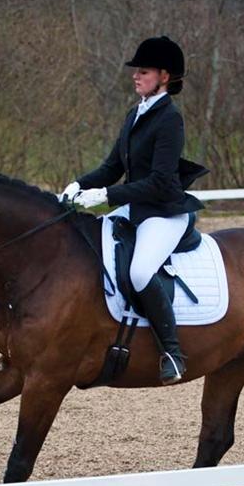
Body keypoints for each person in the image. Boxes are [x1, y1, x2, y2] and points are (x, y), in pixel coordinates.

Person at [60, 35, 207, 384]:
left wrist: (105, 196)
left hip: (163, 211)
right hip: (135, 208)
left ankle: (172, 350)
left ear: (164, 77)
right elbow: (112, 167)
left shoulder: (170, 119)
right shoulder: (135, 113)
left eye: (143, 71)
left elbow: (159, 181)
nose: (135, 76)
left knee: (141, 272)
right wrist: (78, 185)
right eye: (136, 71)